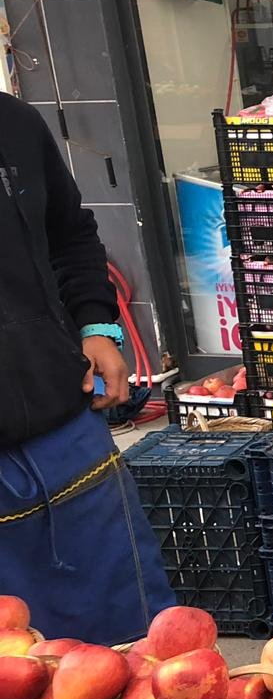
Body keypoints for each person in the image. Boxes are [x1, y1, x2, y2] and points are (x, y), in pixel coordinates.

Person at [0, 91, 175, 644]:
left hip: (66, 429)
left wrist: (97, 326)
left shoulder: (14, 124)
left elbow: (70, 235)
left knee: (145, 652)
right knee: (20, 684)